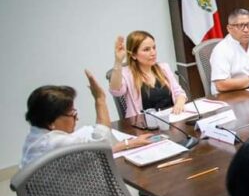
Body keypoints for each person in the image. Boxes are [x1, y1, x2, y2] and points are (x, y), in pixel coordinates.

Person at [22, 71, 153, 168]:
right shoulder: (56, 143)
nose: (77, 118)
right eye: (72, 114)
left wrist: (128, 144)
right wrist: (100, 100)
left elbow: (94, 151)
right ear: (50, 122)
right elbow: (101, 144)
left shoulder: (35, 136)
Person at [109, 31, 186, 118]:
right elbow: (116, 92)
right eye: (146, 49)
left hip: (172, 119)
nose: (153, 53)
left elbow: (179, 93)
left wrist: (179, 103)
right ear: (134, 55)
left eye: (154, 47)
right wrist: (118, 61)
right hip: (143, 125)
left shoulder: (164, 68)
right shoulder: (126, 74)